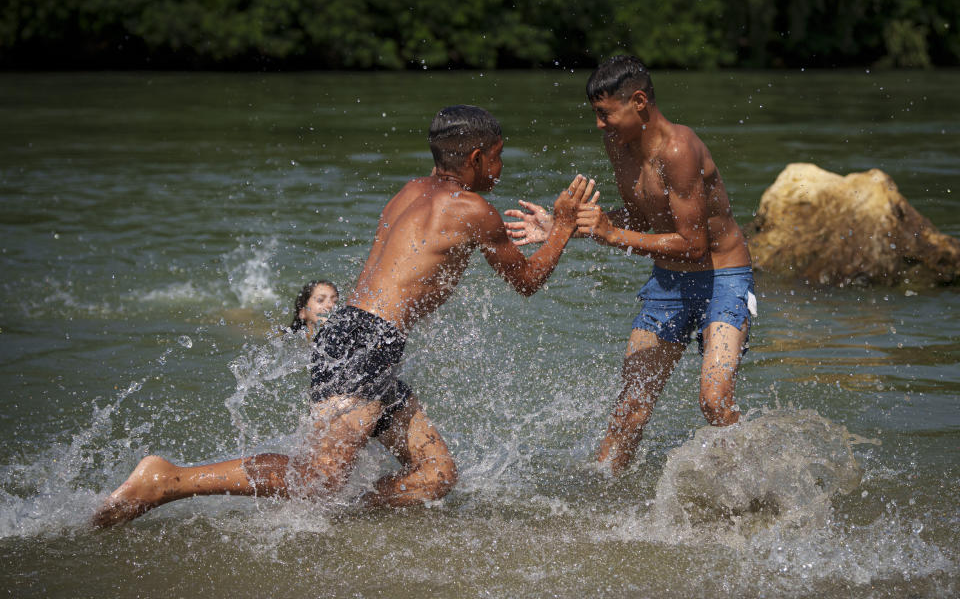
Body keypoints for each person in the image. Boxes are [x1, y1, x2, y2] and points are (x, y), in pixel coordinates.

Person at [93, 105, 594, 526]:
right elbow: (527, 282)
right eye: (500, 155)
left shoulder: (408, 191)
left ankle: (347, 520)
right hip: (367, 342)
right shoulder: (474, 210)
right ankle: (168, 481)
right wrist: (564, 227)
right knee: (316, 478)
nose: (501, 167)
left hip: (360, 334)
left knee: (434, 475)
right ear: (479, 156)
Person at [505, 56, 755, 476]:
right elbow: (641, 221)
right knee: (629, 413)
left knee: (714, 400)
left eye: (605, 114)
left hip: (723, 280)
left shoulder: (679, 150)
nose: (600, 125)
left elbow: (693, 245)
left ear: (638, 101)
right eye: (595, 115)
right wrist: (564, 227)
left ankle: (757, 482)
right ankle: (599, 515)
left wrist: (606, 233)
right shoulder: (619, 145)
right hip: (668, 282)